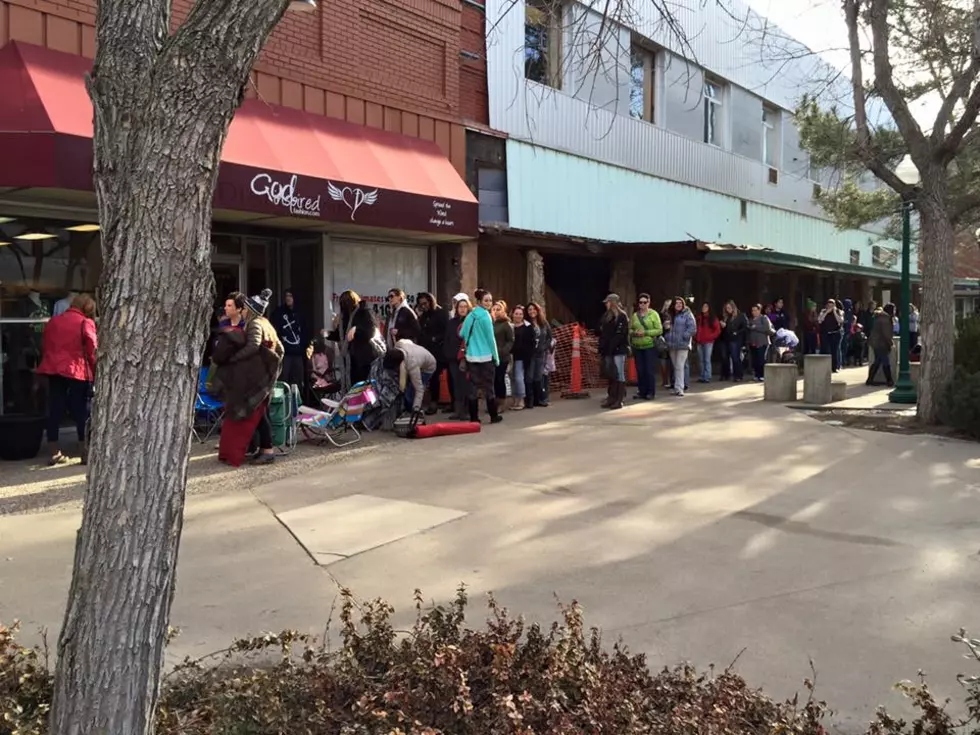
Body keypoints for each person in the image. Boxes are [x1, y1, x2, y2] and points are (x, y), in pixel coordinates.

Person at [211, 289, 283, 466]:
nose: (242, 311)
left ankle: (267, 451)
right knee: (259, 413)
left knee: (258, 413)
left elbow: (253, 346)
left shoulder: (255, 323)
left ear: (250, 310)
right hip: (263, 375)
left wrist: (234, 359)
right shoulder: (265, 323)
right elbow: (280, 348)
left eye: (245, 309)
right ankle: (262, 449)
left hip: (258, 377)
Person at [36, 293, 97, 465]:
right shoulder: (86, 323)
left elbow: (46, 344)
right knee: (81, 411)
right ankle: (84, 450)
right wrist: (95, 369)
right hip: (76, 370)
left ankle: (55, 452)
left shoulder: (53, 321)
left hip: (54, 369)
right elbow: (92, 349)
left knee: (55, 409)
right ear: (87, 308)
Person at [461, 289, 502, 423]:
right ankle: (493, 415)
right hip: (486, 357)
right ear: (479, 301)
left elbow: (461, 333)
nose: (489, 303)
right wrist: (496, 357)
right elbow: (491, 339)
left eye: (490, 300)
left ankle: (474, 418)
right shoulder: (486, 316)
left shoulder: (470, 316)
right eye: (486, 300)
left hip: (471, 357)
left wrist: (471, 340)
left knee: (472, 387)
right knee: (489, 387)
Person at [417, 292, 449, 415]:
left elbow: (446, 331)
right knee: (431, 377)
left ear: (431, 302)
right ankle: (433, 401)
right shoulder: (424, 316)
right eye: (421, 304)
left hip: (439, 350)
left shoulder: (440, 313)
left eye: (425, 303)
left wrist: (436, 339)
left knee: (436, 376)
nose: (423, 306)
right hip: (426, 350)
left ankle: (435, 402)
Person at [271, 289, 308, 394]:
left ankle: (297, 404)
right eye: (286, 296)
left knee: (298, 381)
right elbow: (273, 328)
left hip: (298, 353)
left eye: (290, 296)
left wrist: (304, 347)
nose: (288, 298)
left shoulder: (301, 313)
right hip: (285, 353)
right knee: (284, 380)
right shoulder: (279, 312)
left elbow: (305, 331)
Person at [598, 293, 630, 409]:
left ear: (613, 303)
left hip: (618, 349)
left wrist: (612, 345)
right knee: (610, 374)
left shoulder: (622, 316)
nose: (606, 304)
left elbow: (620, 334)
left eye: (608, 302)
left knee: (619, 374)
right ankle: (611, 397)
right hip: (608, 350)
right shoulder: (607, 316)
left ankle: (619, 399)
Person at [629, 293, 663, 400]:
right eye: (641, 302)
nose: (642, 304)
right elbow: (630, 329)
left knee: (649, 370)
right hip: (637, 346)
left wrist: (646, 332)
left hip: (649, 346)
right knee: (640, 370)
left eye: (645, 302)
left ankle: (650, 392)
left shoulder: (654, 314)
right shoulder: (635, 316)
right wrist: (635, 333)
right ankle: (641, 391)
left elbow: (659, 330)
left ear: (649, 303)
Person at [444, 295, 471, 420]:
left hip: (467, 357)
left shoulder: (470, 321)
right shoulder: (451, 322)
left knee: (465, 384)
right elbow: (448, 339)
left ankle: (466, 411)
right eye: (460, 307)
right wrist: (448, 354)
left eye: (465, 307)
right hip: (453, 358)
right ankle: (457, 410)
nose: (463, 309)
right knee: (456, 384)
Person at [391, 338, 437, 413]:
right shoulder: (399, 346)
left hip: (428, 367)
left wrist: (416, 407)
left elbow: (419, 389)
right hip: (419, 356)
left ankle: (412, 409)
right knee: (408, 386)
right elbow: (408, 341)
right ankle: (409, 406)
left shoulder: (412, 364)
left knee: (412, 390)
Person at [664, 296, 696, 397]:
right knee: (675, 366)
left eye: (680, 303)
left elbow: (692, 328)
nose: (678, 305)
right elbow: (665, 329)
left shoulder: (687, 314)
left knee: (680, 366)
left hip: (683, 344)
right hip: (672, 344)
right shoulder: (670, 315)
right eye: (676, 303)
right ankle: (676, 387)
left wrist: (684, 336)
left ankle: (680, 388)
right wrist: (667, 331)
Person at [526, 302, 552, 407]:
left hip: (541, 354)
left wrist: (544, 347)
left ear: (537, 310)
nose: (532, 311)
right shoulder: (526, 323)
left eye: (534, 309)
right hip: (530, 354)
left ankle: (540, 399)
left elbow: (550, 337)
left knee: (538, 376)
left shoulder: (544, 323)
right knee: (529, 377)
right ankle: (530, 401)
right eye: (529, 310)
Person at [492, 300, 515, 409]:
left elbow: (510, 340)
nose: (496, 311)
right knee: (493, 379)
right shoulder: (490, 323)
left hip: (502, 357)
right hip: (491, 356)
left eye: (498, 309)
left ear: (503, 311)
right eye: (494, 309)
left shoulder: (506, 324)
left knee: (499, 378)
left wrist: (504, 350)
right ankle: (494, 401)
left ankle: (501, 402)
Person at [511, 305, 534, 411]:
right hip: (511, 357)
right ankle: (515, 399)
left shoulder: (528, 327)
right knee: (513, 379)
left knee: (519, 378)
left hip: (522, 357)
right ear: (512, 314)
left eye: (520, 314)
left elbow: (531, 343)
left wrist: (528, 355)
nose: (518, 316)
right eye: (516, 313)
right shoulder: (510, 326)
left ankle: (522, 400)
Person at [867, 303, 895, 386]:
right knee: (885, 361)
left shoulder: (881, 317)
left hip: (876, 342)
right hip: (881, 343)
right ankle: (889, 380)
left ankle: (870, 379)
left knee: (878, 361)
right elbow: (886, 333)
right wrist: (890, 343)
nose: (895, 312)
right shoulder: (885, 319)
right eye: (894, 310)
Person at [719, 300, 747, 382]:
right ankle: (725, 375)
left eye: (729, 308)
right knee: (724, 357)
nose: (728, 309)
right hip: (725, 339)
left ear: (733, 307)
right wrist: (722, 326)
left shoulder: (741, 315)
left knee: (735, 357)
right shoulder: (725, 317)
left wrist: (737, 332)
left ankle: (738, 375)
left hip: (735, 339)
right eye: (726, 308)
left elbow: (745, 327)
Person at [746, 303, 774, 381]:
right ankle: (757, 374)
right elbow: (748, 327)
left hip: (762, 342)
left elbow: (766, 328)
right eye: (752, 310)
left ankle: (762, 375)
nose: (754, 312)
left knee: (761, 359)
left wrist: (755, 327)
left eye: (755, 310)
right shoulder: (750, 319)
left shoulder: (764, 318)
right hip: (753, 342)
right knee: (755, 360)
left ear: (759, 310)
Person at [695, 302, 721, 383]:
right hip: (699, 341)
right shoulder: (699, 318)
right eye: (703, 306)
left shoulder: (712, 318)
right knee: (701, 360)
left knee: (707, 359)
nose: (704, 308)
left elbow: (717, 330)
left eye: (706, 306)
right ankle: (702, 376)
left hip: (708, 342)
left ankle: (707, 376)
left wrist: (710, 337)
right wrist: (695, 337)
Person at [818, 298, 844, 372]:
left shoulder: (839, 311)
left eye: (832, 305)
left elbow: (840, 320)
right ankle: (824, 366)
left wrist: (834, 312)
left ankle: (834, 367)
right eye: (829, 305)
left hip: (835, 333)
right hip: (825, 333)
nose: (830, 306)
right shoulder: (823, 311)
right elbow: (820, 320)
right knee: (825, 349)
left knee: (834, 351)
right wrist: (826, 312)